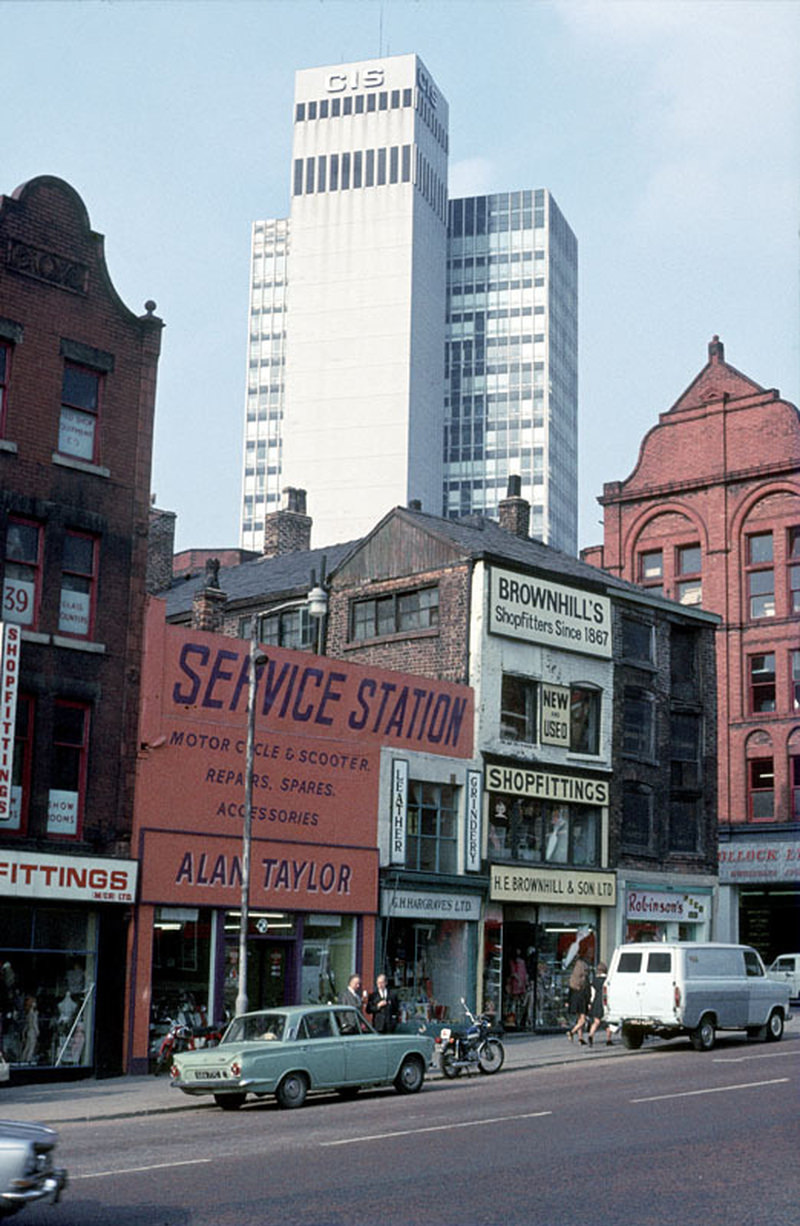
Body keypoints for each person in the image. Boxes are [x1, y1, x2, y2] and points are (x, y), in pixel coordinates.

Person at [565, 955, 590, 1044]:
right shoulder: (584, 980)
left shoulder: (573, 979)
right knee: (583, 1019)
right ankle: (572, 1032)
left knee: (579, 1018)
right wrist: (589, 1001)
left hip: (574, 1000)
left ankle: (580, 1038)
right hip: (582, 999)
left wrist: (568, 1001)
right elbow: (588, 991)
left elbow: (570, 991)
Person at [587, 962, 612, 1046]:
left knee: (596, 1021)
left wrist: (590, 1003)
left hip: (596, 1002)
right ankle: (608, 1040)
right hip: (605, 1002)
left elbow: (592, 993)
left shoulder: (594, 981)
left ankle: (591, 1035)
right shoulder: (608, 980)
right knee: (608, 1022)